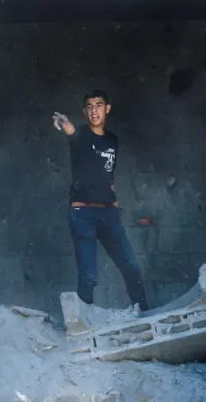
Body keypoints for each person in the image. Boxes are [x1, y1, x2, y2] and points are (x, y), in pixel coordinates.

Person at [52, 90, 149, 311]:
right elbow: (70, 131)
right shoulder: (80, 135)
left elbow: (109, 176)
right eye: (89, 106)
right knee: (88, 275)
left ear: (107, 108)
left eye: (98, 105)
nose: (94, 110)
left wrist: (114, 205)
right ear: (85, 112)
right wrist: (64, 122)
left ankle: (144, 312)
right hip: (83, 214)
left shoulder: (112, 140)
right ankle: (84, 324)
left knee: (131, 267)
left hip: (109, 214)